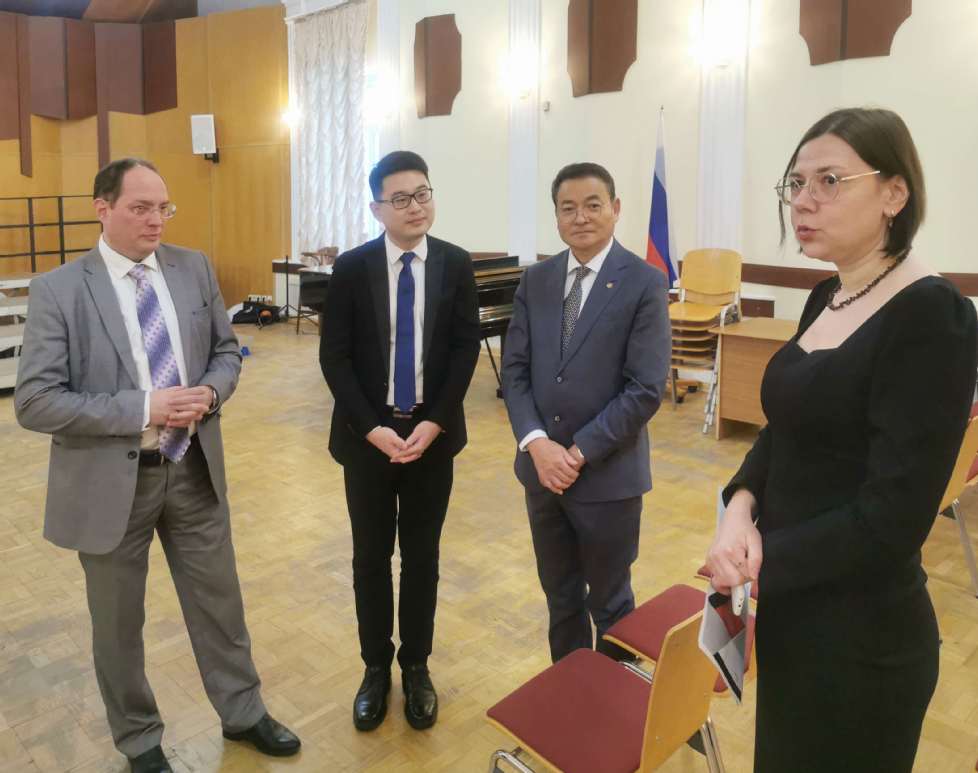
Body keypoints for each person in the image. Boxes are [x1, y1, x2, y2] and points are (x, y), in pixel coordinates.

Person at [705, 108, 978, 772]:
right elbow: (787, 427)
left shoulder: (932, 316)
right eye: (795, 183)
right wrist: (740, 505)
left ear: (894, 193)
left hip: (862, 640)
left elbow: (893, 519)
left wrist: (760, 560)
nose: (803, 201)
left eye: (829, 180)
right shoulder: (828, 293)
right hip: (795, 609)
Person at [14, 159, 300, 773]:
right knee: (118, 624)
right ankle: (140, 740)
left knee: (220, 602)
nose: (156, 220)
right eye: (140, 208)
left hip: (192, 468)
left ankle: (243, 711)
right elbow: (35, 401)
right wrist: (146, 407)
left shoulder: (191, 267)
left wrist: (213, 392)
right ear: (103, 209)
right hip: (110, 483)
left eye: (163, 207)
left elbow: (226, 351)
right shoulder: (60, 289)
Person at [320, 151, 480, 731]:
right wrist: (371, 428)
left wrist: (435, 422)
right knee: (369, 558)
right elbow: (334, 357)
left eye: (423, 194)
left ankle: (415, 665)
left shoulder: (455, 263)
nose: (416, 207)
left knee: (421, 557)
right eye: (401, 198)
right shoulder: (352, 268)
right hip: (368, 435)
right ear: (377, 208)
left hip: (431, 436)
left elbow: (464, 349)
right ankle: (374, 668)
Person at [501, 162, 671, 663]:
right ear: (556, 216)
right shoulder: (536, 280)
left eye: (593, 205)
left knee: (612, 606)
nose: (581, 217)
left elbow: (644, 389)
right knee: (561, 600)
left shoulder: (644, 282)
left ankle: (614, 702)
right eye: (568, 208)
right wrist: (537, 445)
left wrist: (575, 454)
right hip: (541, 476)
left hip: (607, 478)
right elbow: (515, 370)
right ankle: (570, 693)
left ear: (615, 209)